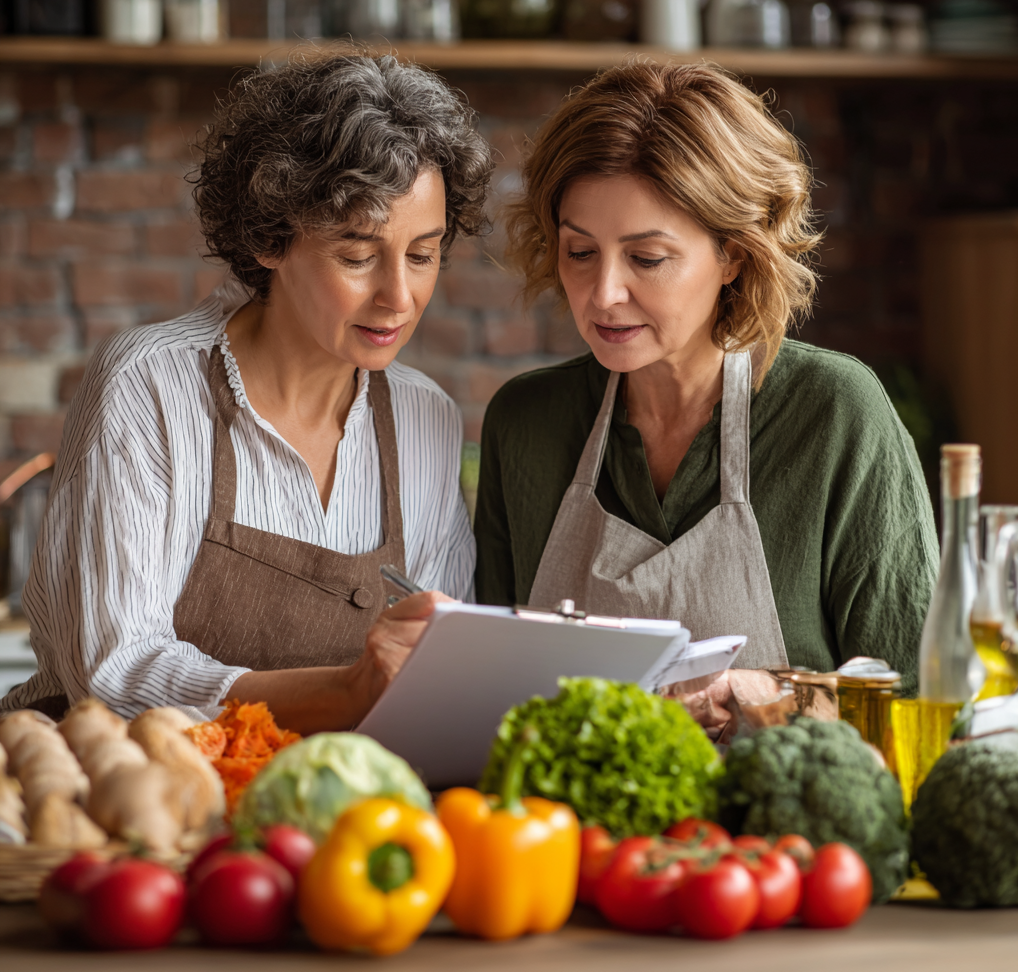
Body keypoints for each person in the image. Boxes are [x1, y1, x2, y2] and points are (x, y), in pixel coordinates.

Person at [3, 52, 493, 732]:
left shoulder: (425, 417)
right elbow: (113, 670)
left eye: (423, 254)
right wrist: (344, 692)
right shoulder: (150, 382)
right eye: (357, 255)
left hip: (317, 791)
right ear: (270, 238)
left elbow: (435, 662)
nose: (399, 297)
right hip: (110, 777)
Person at [474, 62, 938, 732]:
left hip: (778, 805)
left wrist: (772, 694)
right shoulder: (525, 424)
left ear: (734, 255)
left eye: (647, 258)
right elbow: (493, 699)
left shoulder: (835, 414)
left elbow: (922, 699)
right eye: (580, 252)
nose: (604, 293)